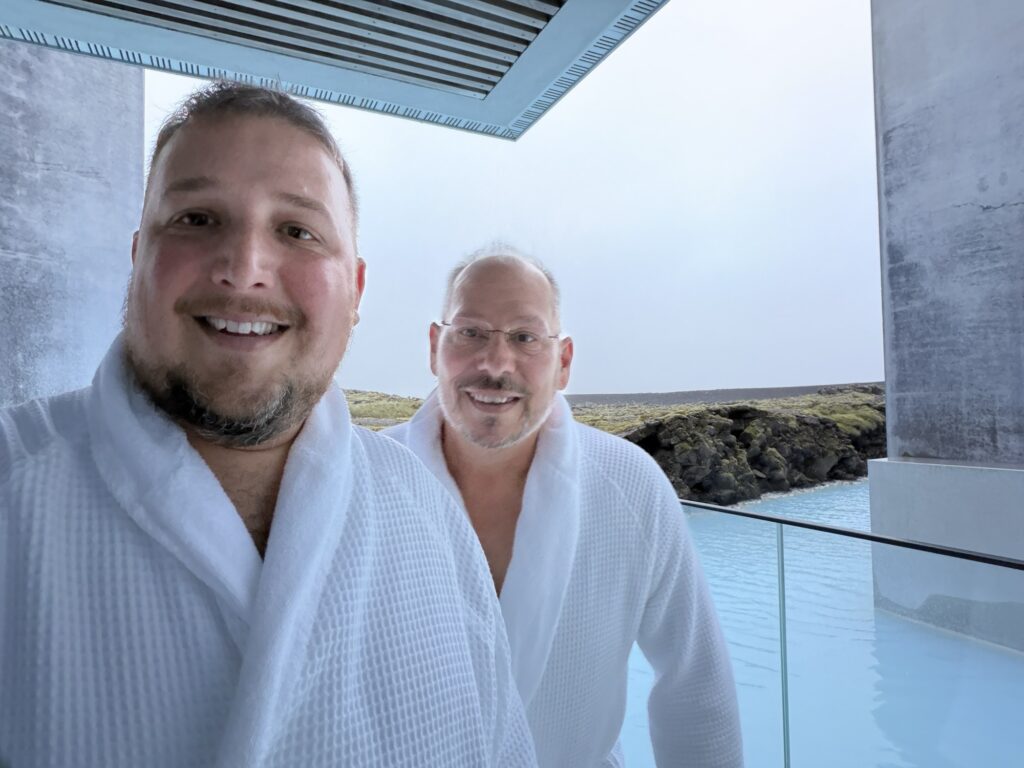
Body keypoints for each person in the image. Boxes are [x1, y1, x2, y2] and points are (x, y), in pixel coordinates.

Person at [0, 83, 536, 768]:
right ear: (138, 259)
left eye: (297, 230)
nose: (244, 269)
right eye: (196, 219)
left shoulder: (426, 510)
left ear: (357, 292)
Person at [384, 246, 744, 767]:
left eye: (526, 338)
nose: (495, 364)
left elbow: (695, 683)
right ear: (435, 346)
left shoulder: (629, 483)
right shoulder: (370, 479)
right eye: (471, 333)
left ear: (564, 362)